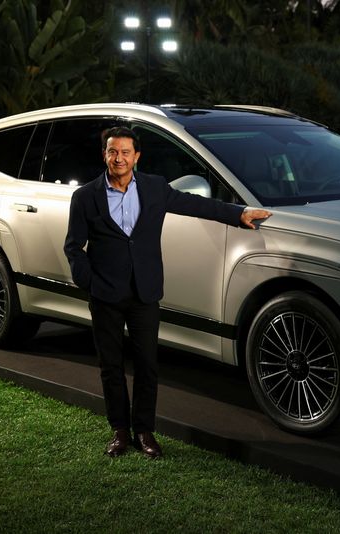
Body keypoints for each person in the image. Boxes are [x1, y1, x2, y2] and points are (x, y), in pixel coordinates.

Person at [64, 126, 271, 459]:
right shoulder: (86, 197)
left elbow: (195, 205)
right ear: (104, 154)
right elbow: (74, 247)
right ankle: (119, 431)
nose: (119, 158)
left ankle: (144, 431)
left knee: (147, 365)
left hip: (146, 293)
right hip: (106, 295)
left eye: (126, 152)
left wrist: (239, 214)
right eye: (113, 152)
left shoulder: (155, 188)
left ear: (137, 156)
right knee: (111, 367)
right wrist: (90, 282)